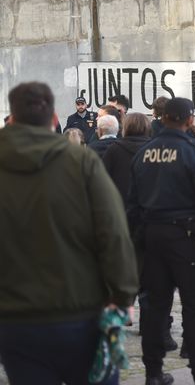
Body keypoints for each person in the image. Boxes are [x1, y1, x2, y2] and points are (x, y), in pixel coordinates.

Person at [0, 82, 138, 384]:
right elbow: (113, 232)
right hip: (80, 311)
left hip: (16, 318)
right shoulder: (81, 161)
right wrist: (123, 292)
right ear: (53, 120)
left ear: (13, 116)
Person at [127, 97, 195, 385]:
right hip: (188, 239)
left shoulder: (144, 153)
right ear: (189, 119)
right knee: (194, 309)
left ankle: (153, 373)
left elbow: (131, 205)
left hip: (152, 238)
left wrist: (141, 238)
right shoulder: (193, 151)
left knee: (155, 309)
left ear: (163, 117)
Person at [103, 112, 152, 205]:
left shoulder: (114, 149)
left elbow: (104, 179)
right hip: (148, 203)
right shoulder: (153, 149)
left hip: (120, 203)